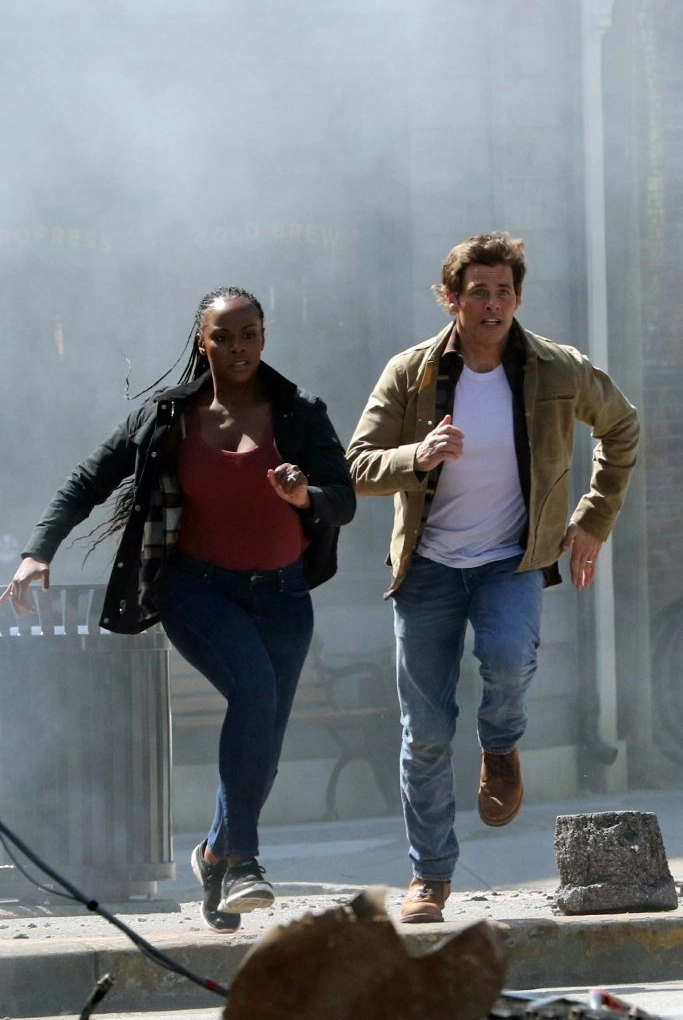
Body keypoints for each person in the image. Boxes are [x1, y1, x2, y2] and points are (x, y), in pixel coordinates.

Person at [0, 286, 355, 933]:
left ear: (263, 338)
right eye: (224, 336)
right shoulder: (168, 417)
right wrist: (36, 553)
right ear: (203, 341)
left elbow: (344, 496)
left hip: (283, 597)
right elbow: (87, 480)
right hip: (196, 589)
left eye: (249, 334)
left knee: (265, 743)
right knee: (253, 691)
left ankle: (215, 857)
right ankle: (243, 863)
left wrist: (306, 495)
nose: (238, 347)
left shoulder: (298, 411)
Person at [346, 233, 639, 924]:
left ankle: (500, 745)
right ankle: (429, 876)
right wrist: (417, 455)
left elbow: (622, 428)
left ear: (517, 297)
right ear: (451, 299)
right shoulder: (411, 373)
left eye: (503, 291)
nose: (492, 304)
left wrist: (593, 518)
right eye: (477, 292)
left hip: (511, 560)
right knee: (425, 729)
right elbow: (356, 465)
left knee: (507, 663)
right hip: (426, 568)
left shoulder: (557, 368)